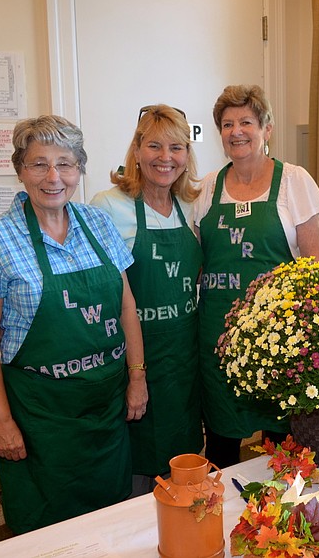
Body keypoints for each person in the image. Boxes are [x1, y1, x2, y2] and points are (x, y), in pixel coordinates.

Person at [0, 115, 147, 534]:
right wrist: (0, 421)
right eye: (39, 164)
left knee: (111, 519)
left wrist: (137, 377)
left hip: (105, 411)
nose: (53, 177)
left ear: (79, 169)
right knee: (49, 529)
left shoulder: (98, 223)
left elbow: (126, 307)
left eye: (65, 163)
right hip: (42, 418)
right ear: (20, 170)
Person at [195, 84, 319, 467]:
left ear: (266, 129)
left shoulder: (294, 181)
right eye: (227, 123)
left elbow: (315, 266)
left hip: (277, 338)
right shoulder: (207, 188)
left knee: (282, 440)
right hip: (218, 335)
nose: (236, 131)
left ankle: (278, 520)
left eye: (246, 122)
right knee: (220, 440)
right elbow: (201, 262)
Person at [91, 105, 203, 495]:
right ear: (136, 151)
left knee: (187, 470)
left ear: (187, 154)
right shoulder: (108, 206)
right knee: (138, 478)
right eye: (154, 145)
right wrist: (135, 374)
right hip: (136, 362)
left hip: (183, 363)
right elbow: (104, 295)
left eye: (176, 147)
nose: (165, 157)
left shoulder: (191, 204)